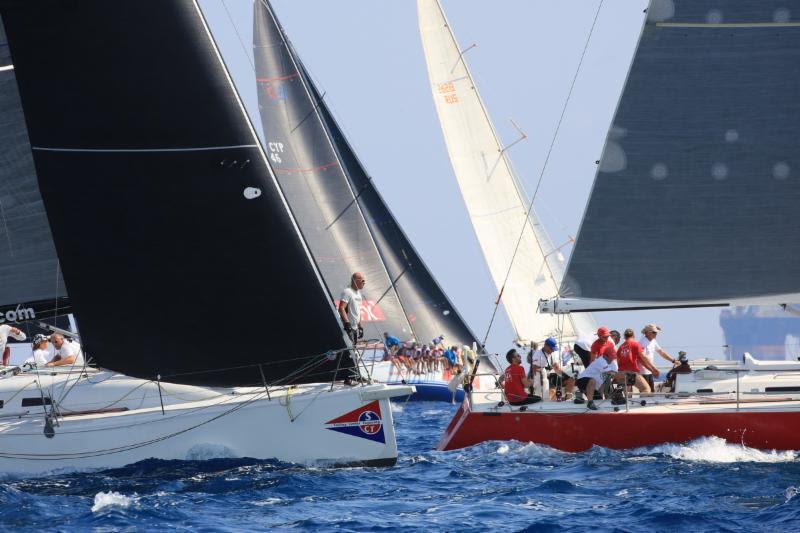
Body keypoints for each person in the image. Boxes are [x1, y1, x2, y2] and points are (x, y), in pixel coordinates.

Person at [576, 343, 618, 410]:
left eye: (613, 358)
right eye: (611, 358)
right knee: (593, 380)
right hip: (582, 380)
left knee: (599, 399)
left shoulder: (612, 362)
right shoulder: (601, 361)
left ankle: (593, 402)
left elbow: (613, 375)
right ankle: (590, 402)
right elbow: (612, 373)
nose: (612, 360)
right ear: (605, 356)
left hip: (595, 385)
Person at [616, 328, 658, 393]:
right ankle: (641, 403)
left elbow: (618, 361)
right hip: (631, 373)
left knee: (627, 394)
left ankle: (630, 403)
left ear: (624, 337)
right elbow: (644, 358)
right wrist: (654, 368)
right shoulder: (635, 344)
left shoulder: (620, 347)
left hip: (621, 373)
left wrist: (652, 370)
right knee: (646, 389)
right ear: (633, 335)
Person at [639, 324, 675, 391]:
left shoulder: (653, 341)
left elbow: (661, 352)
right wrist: (653, 369)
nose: (656, 334)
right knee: (646, 392)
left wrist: (673, 360)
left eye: (656, 332)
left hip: (650, 371)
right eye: (654, 332)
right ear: (648, 332)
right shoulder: (642, 342)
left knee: (651, 392)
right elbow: (642, 359)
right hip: (643, 372)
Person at [338, 272, 366, 343]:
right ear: (355, 280)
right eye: (363, 281)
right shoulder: (347, 291)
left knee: (354, 347)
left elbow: (358, 311)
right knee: (349, 349)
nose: (364, 283)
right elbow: (341, 308)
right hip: (347, 327)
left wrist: (360, 326)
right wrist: (347, 323)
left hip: (355, 328)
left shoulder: (359, 294)